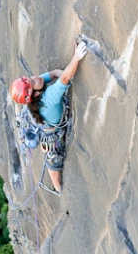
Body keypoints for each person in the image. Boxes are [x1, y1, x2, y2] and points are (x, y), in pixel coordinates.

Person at [10, 40, 87, 193]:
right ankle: (57, 187)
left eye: (30, 78)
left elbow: (54, 74)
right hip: (52, 135)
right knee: (54, 158)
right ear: (36, 94)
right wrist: (76, 58)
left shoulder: (37, 88)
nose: (34, 77)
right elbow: (64, 79)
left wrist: (65, 74)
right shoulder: (48, 98)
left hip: (43, 120)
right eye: (32, 81)